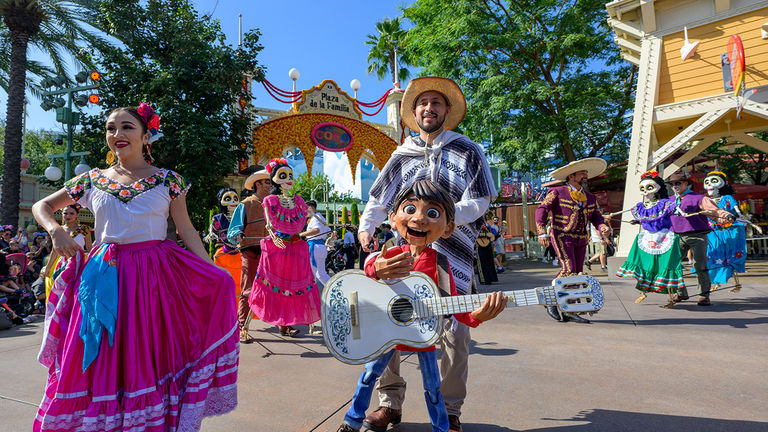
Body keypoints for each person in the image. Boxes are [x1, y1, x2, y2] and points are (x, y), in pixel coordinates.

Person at [31, 103, 238, 431]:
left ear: (146, 136)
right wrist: (55, 230)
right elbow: (41, 205)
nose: (118, 134)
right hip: (103, 279)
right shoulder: (91, 180)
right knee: (100, 355)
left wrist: (214, 270)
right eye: (111, 128)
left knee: (146, 356)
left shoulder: (169, 181)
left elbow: (186, 230)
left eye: (127, 127)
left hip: (153, 279)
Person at [358, 77, 497, 432]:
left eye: (436, 103)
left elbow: (482, 199)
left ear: (447, 111)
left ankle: (450, 411)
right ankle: (389, 403)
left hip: (453, 252)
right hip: (404, 253)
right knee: (388, 321)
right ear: (413, 112)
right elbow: (378, 198)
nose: (428, 109)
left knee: (455, 335)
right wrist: (366, 228)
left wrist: (445, 218)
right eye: (422, 103)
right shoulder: (401, 154)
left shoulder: (467, 150)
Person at [337, 180, 506, 432]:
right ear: (393, 218)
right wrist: (375, 268)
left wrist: (478, 316)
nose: (419, 219)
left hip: (423, 337)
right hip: (388, 335)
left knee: (432, 385)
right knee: (368, 375)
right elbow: (366, 276)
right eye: (410, 209)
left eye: (433, 213)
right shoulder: (390, 252)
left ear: (448, 228)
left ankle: (440, 426)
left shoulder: (440, 262)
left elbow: (453, 306)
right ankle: (352, 421)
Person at [247, 158, 321, 337]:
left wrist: (319, 218)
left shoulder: (298, 201)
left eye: (290, 175)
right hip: (277, 248)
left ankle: (290, 323)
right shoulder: (271, 200)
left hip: (296, 247)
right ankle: (253, 325)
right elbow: (269, 225)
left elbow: (309, 217)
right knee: (272, 286)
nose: (288, 179)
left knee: (295, 287)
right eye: (283, 175)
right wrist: (274, 236)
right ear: (274, 179)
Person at [535, 158, 610, 323]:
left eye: (586, 172)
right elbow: (542, 209)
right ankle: (550, 299)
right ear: (571, 176)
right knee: (568, 269)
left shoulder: (589, 197)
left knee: (576, 273)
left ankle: (570, 310)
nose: (585, 175)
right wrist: (541, 232)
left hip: (581, 239)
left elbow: (596, 216)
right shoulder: (557, 191)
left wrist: (602, 226)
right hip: (562, 235)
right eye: (582, 172)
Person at [616, 171, 685, 305]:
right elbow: (647, 218)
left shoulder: (665, 203)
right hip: (647, 237)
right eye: (642, 188)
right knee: (644, 264)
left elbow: (676, 210)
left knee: (666, 265)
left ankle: (671, 295)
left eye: (649, 187)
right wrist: (637, 221)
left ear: (658, 187)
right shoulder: (641, 206)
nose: (646, 191)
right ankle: (643, 290)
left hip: (665, 237)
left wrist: (683, 213)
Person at [665, 171, 734, 306]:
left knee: (699, 265)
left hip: (697, 236)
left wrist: (726, 215)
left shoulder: (698, 198)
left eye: (677, 183)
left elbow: (714, 211)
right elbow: (658, 215)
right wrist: (641, 221)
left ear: (686, 184)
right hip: (677, 236)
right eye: (672, 184)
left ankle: (704, 295)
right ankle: (680, 293)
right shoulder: (669, 201)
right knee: (671, 265)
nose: (674, 186)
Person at [228, 168, 270, 343]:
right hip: (250, 250)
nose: (270, 184)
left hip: (270, 252)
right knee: (247, 290)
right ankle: (242, 327)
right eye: (267, 182)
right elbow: (233, 229)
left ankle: (283, 324)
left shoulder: (273, 203)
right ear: (258, 184)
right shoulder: (245, 204)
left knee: (276, 287)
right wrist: (238, 234)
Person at [700, 171, 747, 291]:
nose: (709, 184)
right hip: (712, 232)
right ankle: (715, 280)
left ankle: (729, 281)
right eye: (707, 182)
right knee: (712, 255)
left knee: (728, 256)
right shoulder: (706, 200)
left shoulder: (726, 198)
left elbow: (736, 210)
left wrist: (738, 215)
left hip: (727, 231)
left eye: (714, 181)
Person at [42, 204, 93, 299]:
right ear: (62, 214)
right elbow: (54, 250)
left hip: (80, 263)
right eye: (65, 213)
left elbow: (89, 249)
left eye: (71, 213)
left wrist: (93, 265)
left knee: (77, 290)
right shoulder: (57, 230)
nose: (68, 216)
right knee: (61, 292)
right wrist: (48, 267)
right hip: (62, 263)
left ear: (77, 215)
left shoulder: (84, 229)